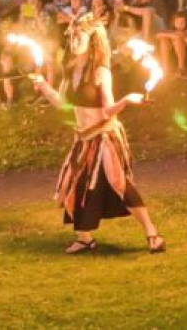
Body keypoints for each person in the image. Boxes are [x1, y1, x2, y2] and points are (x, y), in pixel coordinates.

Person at [30, 13, 165, 255]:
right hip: (83, 138)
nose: (75, 38)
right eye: (72, 34)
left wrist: (125, 100)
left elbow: (106, 111)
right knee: (71, 185)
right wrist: (43, 85)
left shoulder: (101, 71)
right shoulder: (70, 69)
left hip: (103, 135)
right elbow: (62, 103)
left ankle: (152, 233)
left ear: (92, 38)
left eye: (80, 34)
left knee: (118, 182)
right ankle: (84, 238)